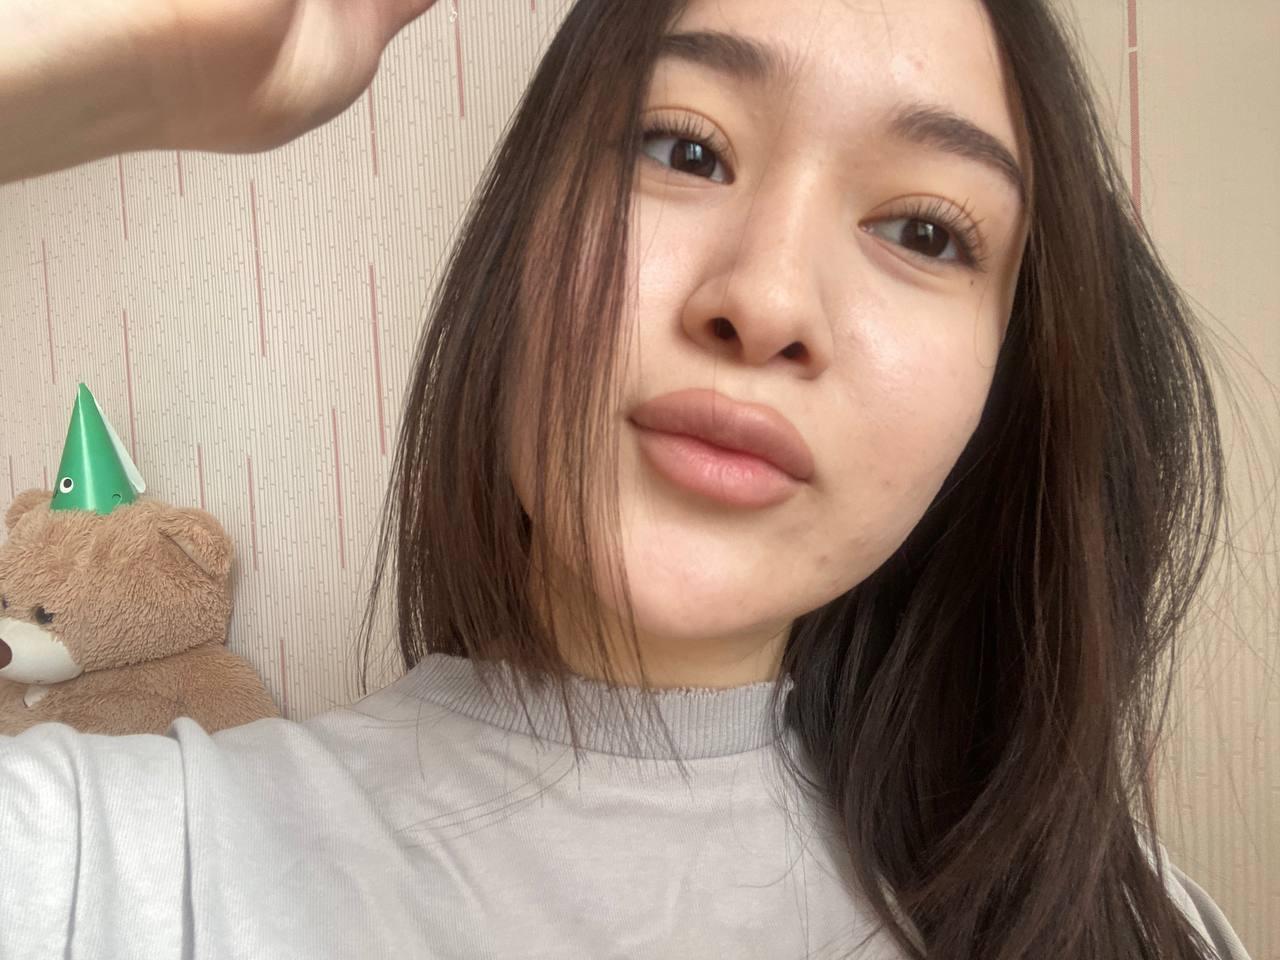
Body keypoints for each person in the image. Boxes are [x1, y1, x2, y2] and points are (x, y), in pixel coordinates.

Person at [0, 0, 1256, 957]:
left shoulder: (1129, 924)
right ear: (517, 235)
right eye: (682, 149)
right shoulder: (100, 871)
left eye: (924, 230)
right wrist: (125, 56)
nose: (765, 300)